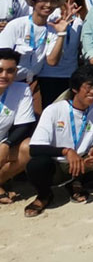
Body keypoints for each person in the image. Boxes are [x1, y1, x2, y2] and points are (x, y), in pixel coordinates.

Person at [25, 63, 93, 217]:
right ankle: (44, 195)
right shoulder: (54, 110)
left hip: (83, 160)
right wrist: (66, 151)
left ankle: (77, 182)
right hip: (58, 162)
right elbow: (35, 147)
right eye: (89, 87)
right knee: (37, 164)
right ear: (75, 88)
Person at [0, 0, 71, 96]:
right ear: (33, 3)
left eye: (52, 1)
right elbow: (2, 56)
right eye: (43, 0)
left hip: (31, 84)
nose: (48, 5)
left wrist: (61, 33)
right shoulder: (16, 25)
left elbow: (52, 61)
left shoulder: (53, 30)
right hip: (8, 82)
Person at [0, 48, 34, 204]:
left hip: (2, 145)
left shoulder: (21, 89)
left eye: (10, 71)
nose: (4, 76)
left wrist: (7, 144)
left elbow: (24, 124)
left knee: (28, 147)